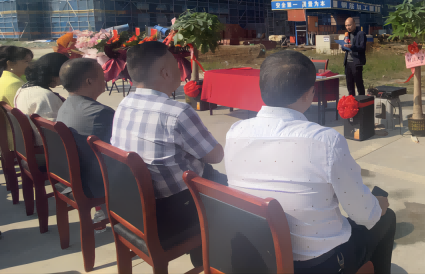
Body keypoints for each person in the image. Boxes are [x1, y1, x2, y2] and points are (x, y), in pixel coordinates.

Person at [226, 51, 395, 274]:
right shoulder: (326, 142)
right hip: (318, 265)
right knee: (386, 218)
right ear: (309, 94)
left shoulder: (235, 133)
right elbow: (364, 214)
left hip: (255, 259)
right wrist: (378, 205)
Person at [111, 41, 225, 268]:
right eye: (176, 65)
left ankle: (203, 254)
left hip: (133, 206)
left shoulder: (124, 104)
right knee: (237, 198)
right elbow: (215, 155)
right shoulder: (176, 112)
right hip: (175, 209)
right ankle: (211, 261)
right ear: (165, 72)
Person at [57, 59, 114, 201]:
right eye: (102, 75)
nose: (105, 80)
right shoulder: (100, 113)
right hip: (94, 183)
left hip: (70, 177)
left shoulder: (66, 105)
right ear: (89, 81)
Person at [15, 52, 69, 145]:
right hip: (47, 148)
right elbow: (54, 134)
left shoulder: (23, 89)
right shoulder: (45, 96)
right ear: (54, 73)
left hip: (32, 145)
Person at [0, 46, 33, 150]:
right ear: (10, 64)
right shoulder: (14, 84)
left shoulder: (4, 79)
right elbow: (27, 114)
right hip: (19, 141)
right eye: (26, 61)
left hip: (9, 138)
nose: (30, 65)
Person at [342, 17, 366, 96]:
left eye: (349, 25)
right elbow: (343, 48)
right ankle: (351, 100)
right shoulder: (347, 35)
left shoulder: (361, 34)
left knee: (359, 83)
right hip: (348, 63)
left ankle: (362, 100)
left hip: (356, 63)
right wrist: (344, 45)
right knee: (349, 84)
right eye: (346, 26)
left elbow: (362, 47)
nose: (347, 27)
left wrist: (351, 47)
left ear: (354, 24)